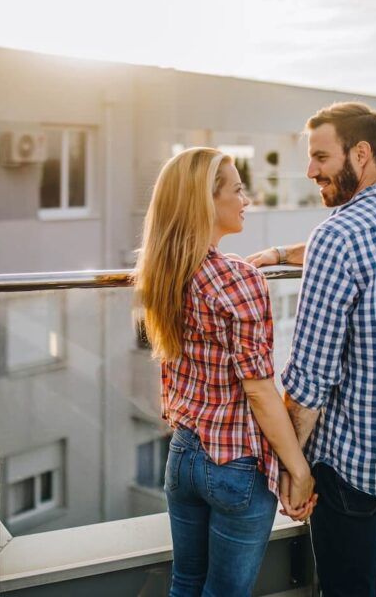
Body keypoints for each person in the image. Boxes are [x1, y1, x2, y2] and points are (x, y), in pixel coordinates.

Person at [247, 102, 376, 597]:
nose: (310, 170)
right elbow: (349, 245)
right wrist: (282, 253)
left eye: (321, 156)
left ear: (360, 154)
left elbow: (308, 384)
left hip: (353, 474)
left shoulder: (338, 236)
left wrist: (294, 472)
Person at [133, 147, 317, 597]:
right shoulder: (236, 279)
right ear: (205, 202)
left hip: (183, 454)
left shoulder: (162, 270)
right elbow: (259, 392)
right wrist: (299, 469)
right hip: (235, 467)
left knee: (186, 583)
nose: (246, 199)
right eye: (237, 189)